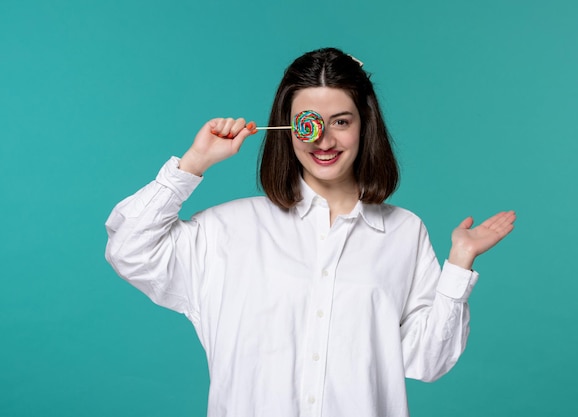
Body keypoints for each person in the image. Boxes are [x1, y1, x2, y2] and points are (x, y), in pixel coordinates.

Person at [105, 47, 516, 417]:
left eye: (341, 121)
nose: (324, 139)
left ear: (364, 126)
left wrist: (459, 264)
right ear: (287, 129)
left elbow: (427, 360)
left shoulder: (404, 233)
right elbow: (130, 250)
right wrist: (193, 163)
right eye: (309, 123)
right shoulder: (226, 230)